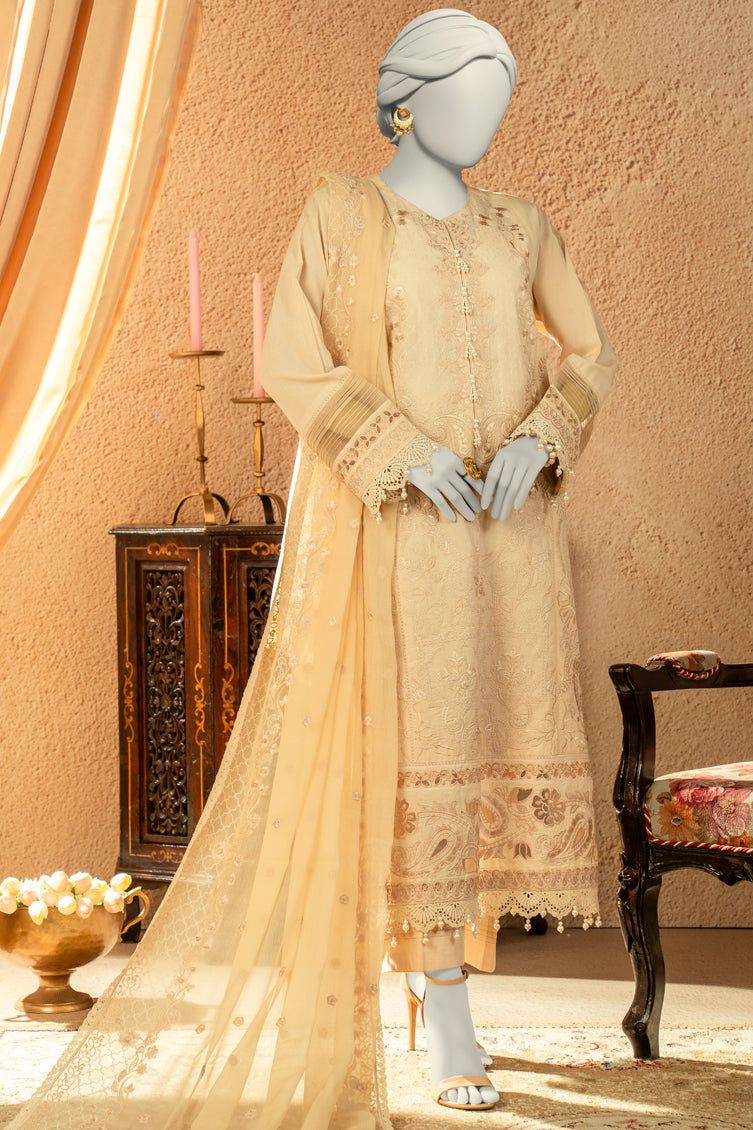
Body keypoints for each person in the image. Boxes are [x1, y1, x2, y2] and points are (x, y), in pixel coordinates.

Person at [4, 8, 616, 1127]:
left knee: (492, 740)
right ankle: (447, 1006)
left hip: (508, 534)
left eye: (500, 97)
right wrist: (404, 450)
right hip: (400, 532)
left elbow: (586, 350)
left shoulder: (522, 227)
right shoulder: (340, 214)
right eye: (468, 92)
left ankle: (451, 986)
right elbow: (294, 356)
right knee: (420, 747)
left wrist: (542, 439)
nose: (486, 117)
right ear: (406, 102)